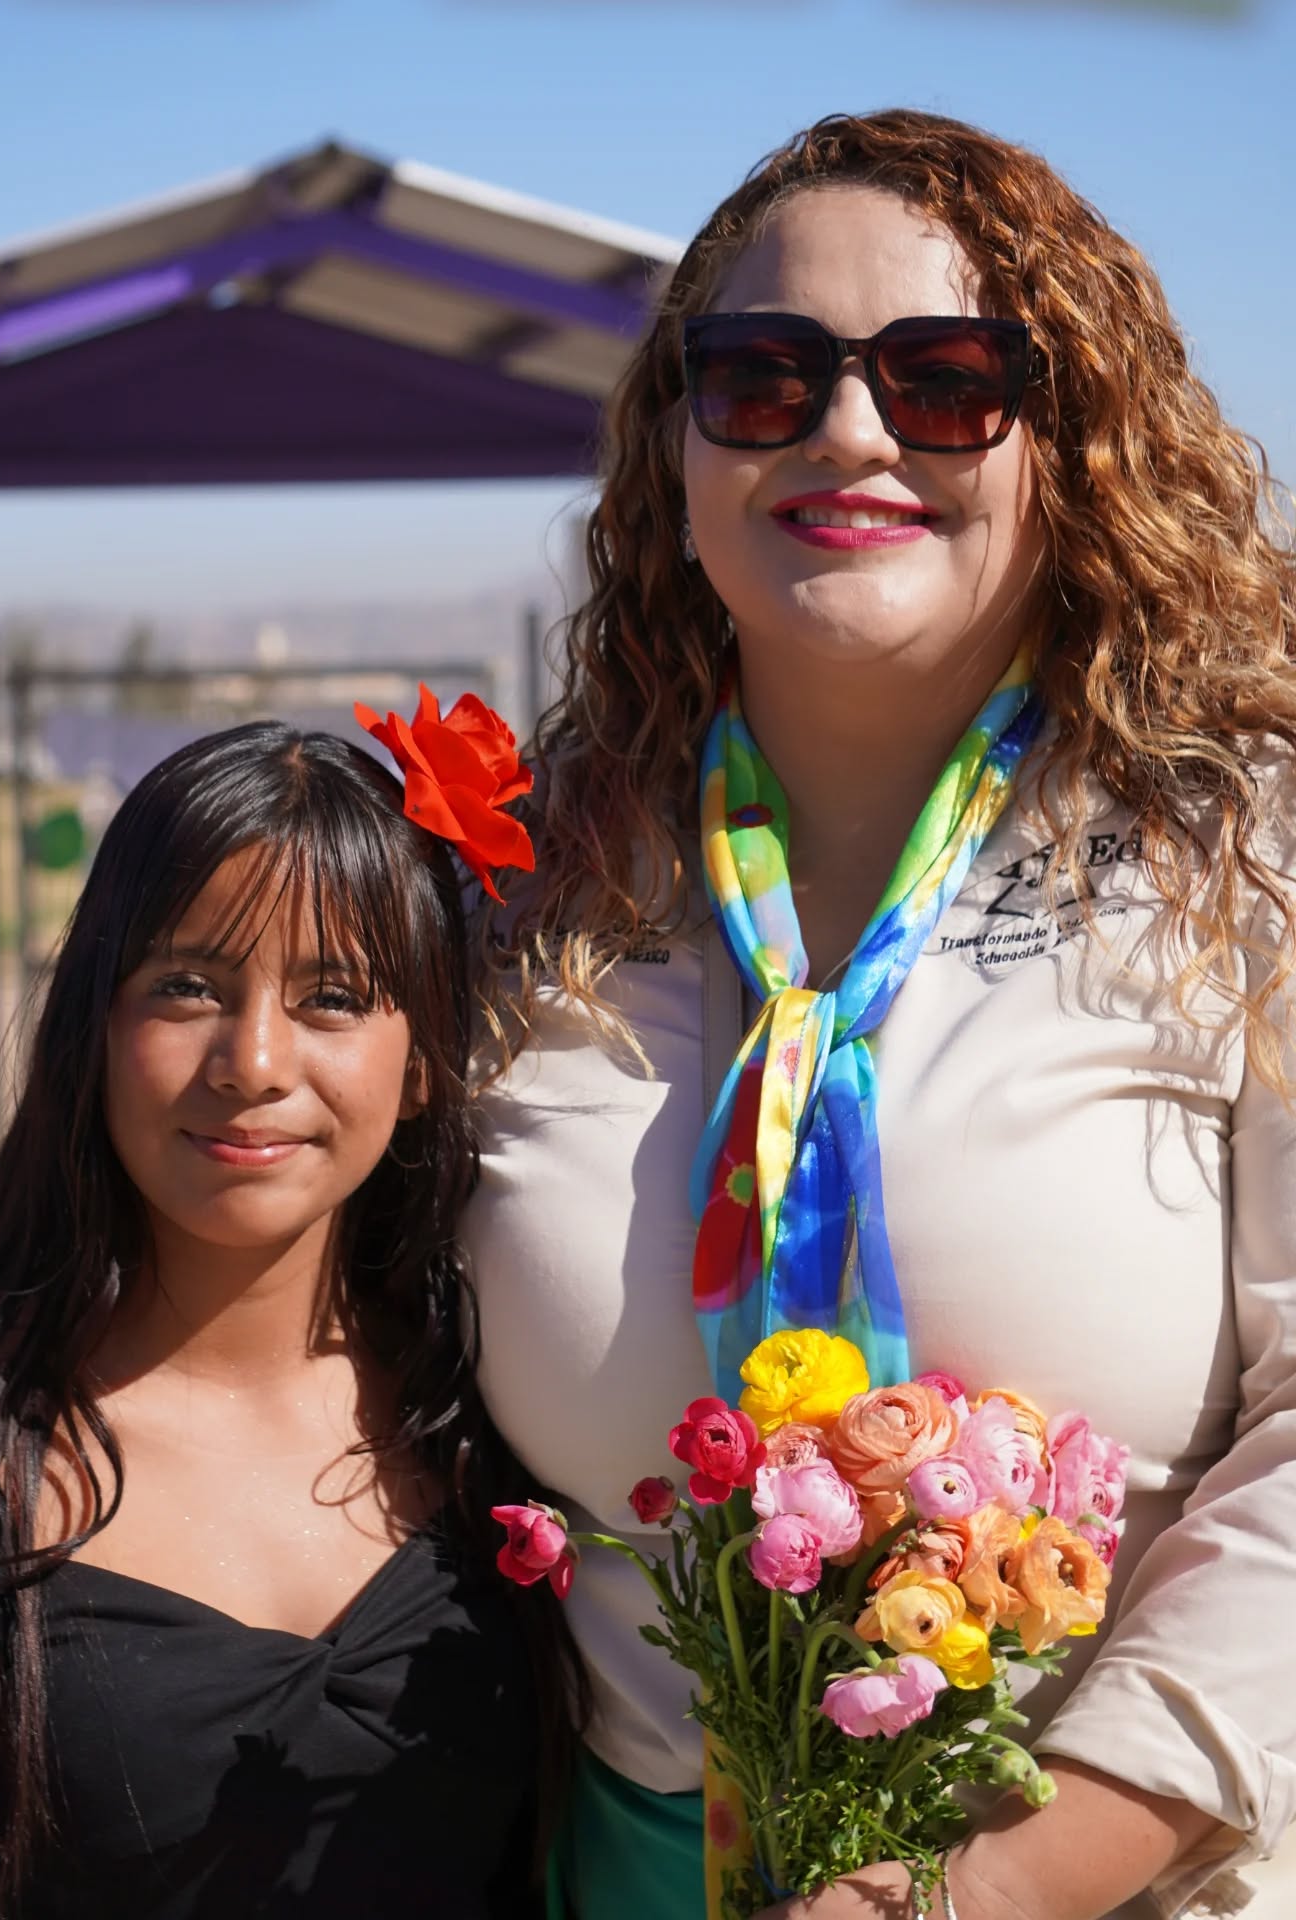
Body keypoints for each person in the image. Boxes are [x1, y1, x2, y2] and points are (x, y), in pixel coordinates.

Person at [465, 109, 1296, 1920]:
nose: (848, 431)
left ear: (1069, 442)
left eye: (946, 377)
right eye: (763, 376)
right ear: (671, 462)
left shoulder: (1254, 867)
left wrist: (984, 1892)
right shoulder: (527, 908)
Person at [0, 718, 573, 1919]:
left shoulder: (508, 1408)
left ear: (421, 1065)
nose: (251, 1061)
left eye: (332, 997)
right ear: (94, 1027)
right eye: (187, 985)